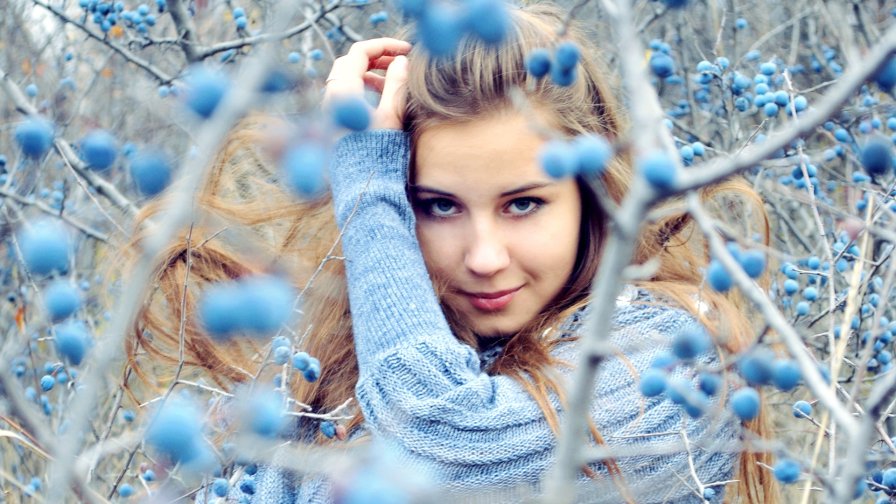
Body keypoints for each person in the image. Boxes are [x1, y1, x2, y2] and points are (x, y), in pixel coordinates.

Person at [124, 3, 779, 502]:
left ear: (591, 196)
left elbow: (445, 448)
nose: (484, 257)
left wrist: (364, 173)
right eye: (439, 206)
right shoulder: (353, 371)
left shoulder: (677, 368)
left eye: (523, 203)